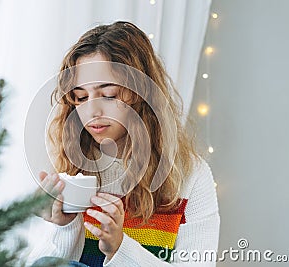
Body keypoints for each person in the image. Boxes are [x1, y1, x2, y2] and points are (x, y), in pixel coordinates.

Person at [29, 21, 220, 266]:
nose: (92, 110)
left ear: (140, 93)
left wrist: (120, 249)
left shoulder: (191, 175)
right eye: (81, 97)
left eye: (108, 95)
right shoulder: (73, 168)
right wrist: (64, 227)